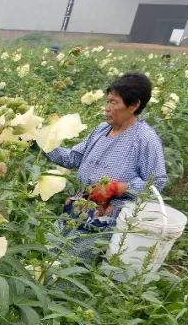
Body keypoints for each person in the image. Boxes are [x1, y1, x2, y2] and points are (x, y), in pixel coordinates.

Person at [41, 71, 168, 262]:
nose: (107, 108)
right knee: (51, 256)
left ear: (134, 105)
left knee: (72, 268)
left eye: (113, 102)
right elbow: (73, 158)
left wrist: (117, 188)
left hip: (105, 222)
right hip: (77, 209)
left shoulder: (144, 139)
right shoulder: (101, 130)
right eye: (107, 101)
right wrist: (42, 143)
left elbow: (156, 183)